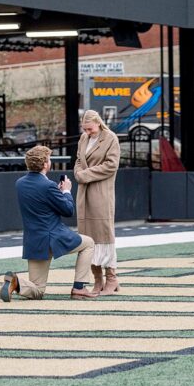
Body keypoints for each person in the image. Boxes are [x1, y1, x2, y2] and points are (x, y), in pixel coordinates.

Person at [0, 145, 100, 301]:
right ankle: (79, 288)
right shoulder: (48, 186)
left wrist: (57, 194)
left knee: (37, 290)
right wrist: (66, 191)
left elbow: (41, 201)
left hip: (34, 240)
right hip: (54, 237)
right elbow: (68, 210)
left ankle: (16, 282)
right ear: (45, 164)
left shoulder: (20, 183)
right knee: (89, 243)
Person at [74, 109, 122, 295]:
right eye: (85, 129)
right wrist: (78, 172)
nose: (88, 132)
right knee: (88, 238)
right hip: (84, 193)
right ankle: (97, 279)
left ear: (98, 123)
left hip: (101, 193)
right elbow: (79, 159)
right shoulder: (83, 139)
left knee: (104, 235)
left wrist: (85, 175)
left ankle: (112, 277)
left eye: (90, 129)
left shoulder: (110, 138)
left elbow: (111, 165)